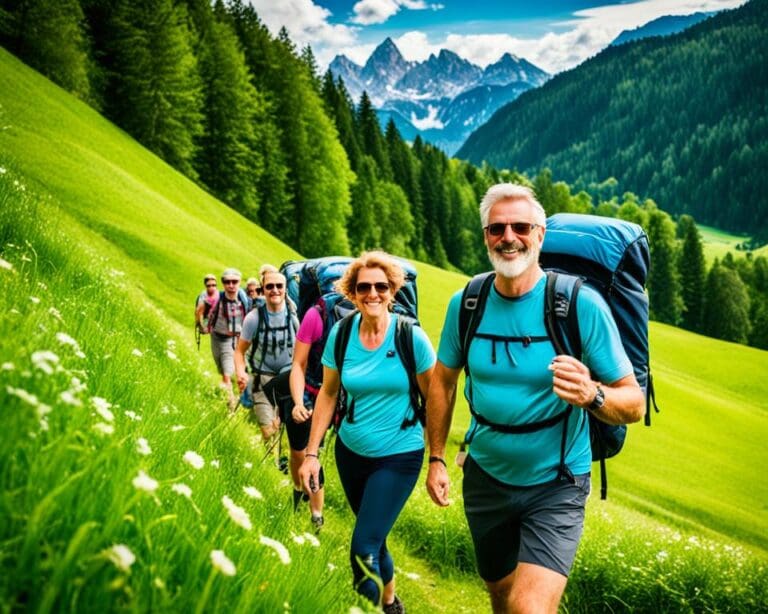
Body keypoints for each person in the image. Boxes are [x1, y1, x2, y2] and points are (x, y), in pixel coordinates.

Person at [425, 183, 644, 614]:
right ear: (485, 235)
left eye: (521, 226)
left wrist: (592, 393)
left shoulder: (580, 305)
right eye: (497, 228)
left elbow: (633, 402)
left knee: (528, 609)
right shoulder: (466, 302)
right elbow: (443, 381)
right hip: (486, 478)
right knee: (502, 598)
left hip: (557, 482)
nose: (509, 237)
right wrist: (435, 457)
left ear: (540, 234)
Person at [299, 251, 435, 614]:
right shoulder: (342, 335)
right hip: (351, 452)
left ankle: (371, 607)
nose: (372, 293)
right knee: (374, 537)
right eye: (363, 287)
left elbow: (436, 399)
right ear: (352, 292)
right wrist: (312, 453)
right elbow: (328, 393)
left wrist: (437, 460)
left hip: (399, 455)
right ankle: (391, 603)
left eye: (380, 286)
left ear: (392, 291)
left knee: (362, 547)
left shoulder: (411, 338)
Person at [234, 269, 298, 444]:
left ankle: (278, 462)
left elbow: (301, 353)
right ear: (263, 290)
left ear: (285, 289)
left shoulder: (293, 318)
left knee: (284, 432)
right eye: (270, 286)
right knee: (268, 429)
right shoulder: (253, 319)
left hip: (287, 382)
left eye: (279, 286)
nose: (275, 290)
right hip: (262, 381)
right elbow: (239, 351)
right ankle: (271, 460)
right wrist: (241, 373)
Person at [286, 302, 328, 529]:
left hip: (331, 399)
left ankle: (316, 514)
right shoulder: (316, 315)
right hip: (308, 392)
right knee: (297, 453)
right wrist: (298, 402)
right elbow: (298, 364)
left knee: (312, 455)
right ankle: (298, 488)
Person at [205, 268, 250, 409]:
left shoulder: (244, 301)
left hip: (233, 341)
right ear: (223, 283)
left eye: (234, 282)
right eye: (227, 282)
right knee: (221, 369)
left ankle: (231, 407)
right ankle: (235, 394)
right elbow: (205, 311)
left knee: (226, 373)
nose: (231, 285)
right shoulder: (217, 298)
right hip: (216, 337)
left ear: (239, 282)